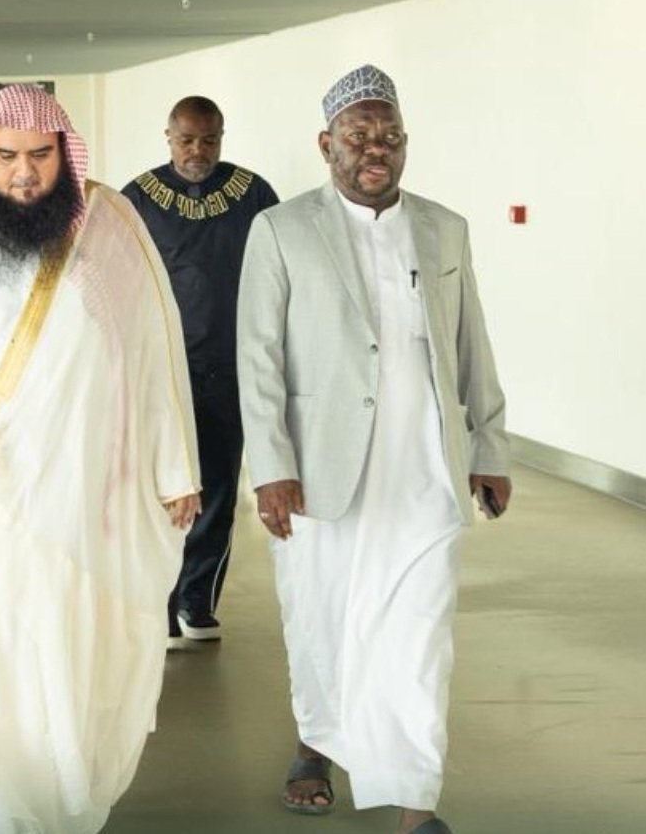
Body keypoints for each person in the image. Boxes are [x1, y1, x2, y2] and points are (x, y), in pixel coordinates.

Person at [0, 85, 200, 834]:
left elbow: (153, 346)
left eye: (39, 156)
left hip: (83, 489)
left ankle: (68, 804)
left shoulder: (110, 223)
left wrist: (172, 467)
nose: (24, 174)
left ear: (65, 153)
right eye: (5, 158)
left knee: (74, 650)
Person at [238, 65, 509, 834]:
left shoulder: (444, 227)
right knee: (320, 617)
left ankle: (414, 801)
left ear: (404, 142)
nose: (374, 148)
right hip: (321, 470)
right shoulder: (281, 229)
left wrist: (488, 444)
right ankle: (315, 743)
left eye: (388, 134)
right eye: (357, 135)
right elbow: (256, 358)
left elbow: (471, 342)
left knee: (419, 635)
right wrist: (272, 467)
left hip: (424, 470)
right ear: (325, 143)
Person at [122, 97, 280, 645]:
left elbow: (278, 271)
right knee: (161, 487)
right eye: (187, 139)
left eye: (209, 139)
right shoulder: (138, 198)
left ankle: (197, 600)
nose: (198, 151)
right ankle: (159, 602)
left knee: (218, 486)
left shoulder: (252, 194)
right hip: (160, 368)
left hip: (230, 365)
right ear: (168, 137)